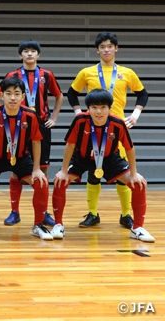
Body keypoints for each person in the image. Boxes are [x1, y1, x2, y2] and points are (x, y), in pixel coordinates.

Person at [67, 31, 148, 229]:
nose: (106, 50)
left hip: (117, 129)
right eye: (102, 47)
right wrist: (79, 113)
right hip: (93, 129)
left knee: (123, 173)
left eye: (110, 46)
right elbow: (71, 92)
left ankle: (126, 215)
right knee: (94, 172)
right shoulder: (87, 72)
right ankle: (93, 214)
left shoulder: (127, 73)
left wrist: (135, 115)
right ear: (97, 50)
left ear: (116, 49)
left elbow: (143, 93)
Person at [52, 89, 154, 242]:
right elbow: (70, 145)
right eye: (94, 107)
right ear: (88, 109)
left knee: (139, 184)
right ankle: (58, 225)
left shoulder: (118, 124)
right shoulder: (80, 121)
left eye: (103, 107)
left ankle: (137, 228)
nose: (98, 112)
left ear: (110, 108)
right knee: (60, 181)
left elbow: (129, 148)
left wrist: (134, 173)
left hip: (110, 158)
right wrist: (64, 170)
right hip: (81, 157)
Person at [0, 39, 63, 227]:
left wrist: (53, 118)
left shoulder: (47, 75)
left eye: (33, 51)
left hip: (41, 127)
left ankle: (43, 212)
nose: (29, 54)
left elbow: (59, 96)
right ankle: (15, 211)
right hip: (18, 128)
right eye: (26, 51)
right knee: (16, 170)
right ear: (20, 54)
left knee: (42, 171)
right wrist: (4, 117)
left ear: (38, 55)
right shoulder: (13, 75)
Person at [0, 76, 51, 240]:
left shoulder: (30, 116)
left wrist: (37, 169)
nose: (12, 98)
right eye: (8, 93)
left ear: (23, 97)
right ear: (1, 95)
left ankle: (38, 225)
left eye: (17, 94)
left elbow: (37, 142)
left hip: (22, 158)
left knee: (42, 183)